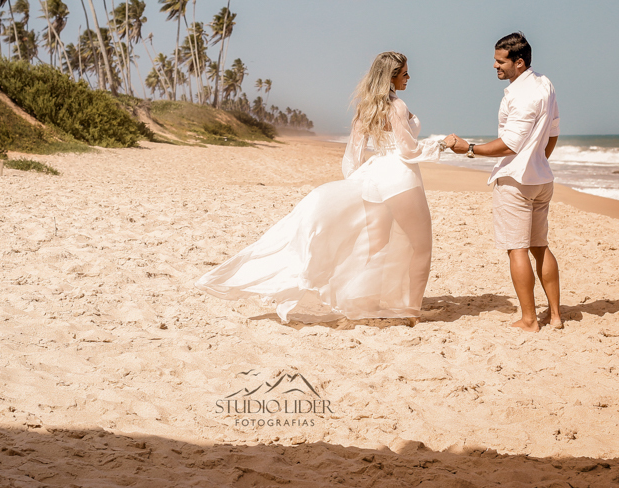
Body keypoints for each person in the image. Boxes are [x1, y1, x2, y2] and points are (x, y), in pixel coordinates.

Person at [196, 51, 443, 324]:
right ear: (391, 76)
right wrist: (443, 144)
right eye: (405, 73)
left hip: (375, 179)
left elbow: (353, 155)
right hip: (400, 178)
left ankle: (368, 303)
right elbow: (408, 150)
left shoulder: (366, 107)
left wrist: (358, 183)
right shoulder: (396, 107)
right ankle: (411, 314)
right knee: (421, 246)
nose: (409, 77)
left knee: (376, 245)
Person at [444, 32, 562, 332]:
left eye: (500, 62)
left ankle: (529, 319)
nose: (495, 66)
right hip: (540, 178)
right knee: (540, 246)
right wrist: (539, 159)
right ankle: (556, 316)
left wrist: (468, 149)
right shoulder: (544, 83)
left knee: (517, 249)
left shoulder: (522, 95)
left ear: (518, 63)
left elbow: (510, 144)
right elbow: (553, 132)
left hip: (516, 181)